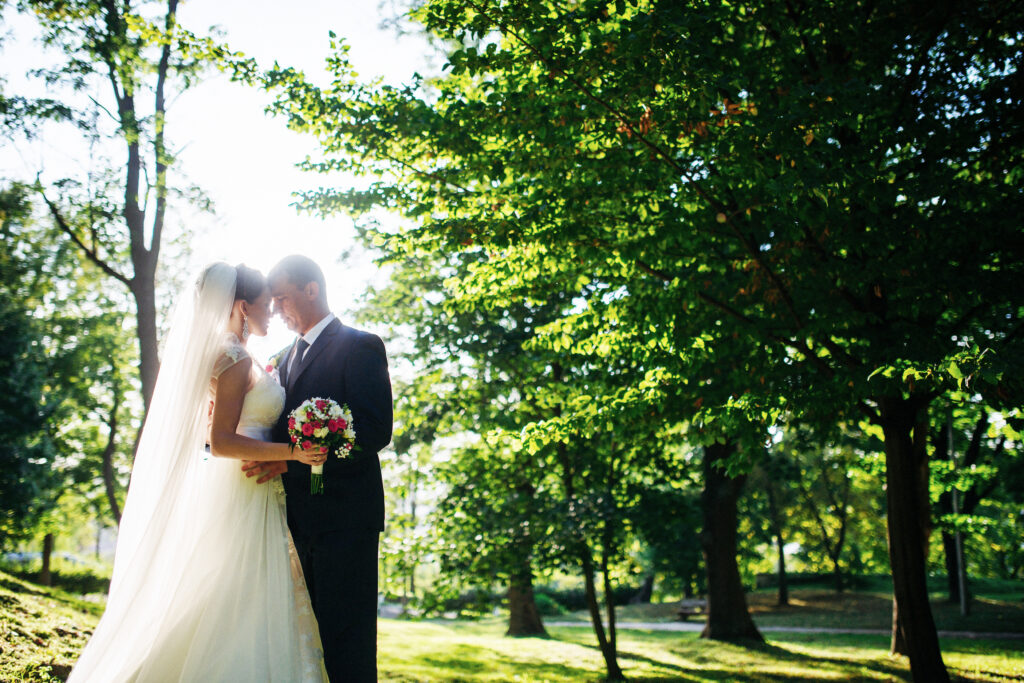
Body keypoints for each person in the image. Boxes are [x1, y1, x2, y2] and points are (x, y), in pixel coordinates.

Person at [68, 262, 328, 682]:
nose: (272, 314)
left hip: (253, 485)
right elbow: (222, 441)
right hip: (240, 487)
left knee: (243, 593)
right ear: (243, 306)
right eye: (265, 305)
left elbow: (211, 436)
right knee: (232, 591)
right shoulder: (232, 358)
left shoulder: (239, 357)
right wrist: (297, 453)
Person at [244, 255, 392, 682]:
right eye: (271, 302)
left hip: (345, 520)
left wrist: (306, 456)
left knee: (347, 640)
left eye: (282, 298)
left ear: (312, 290)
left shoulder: (360, 345)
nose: (275, 310)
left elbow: (374, 429)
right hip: (289, 521)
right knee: (302, 642)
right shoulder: (278, 359)